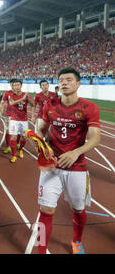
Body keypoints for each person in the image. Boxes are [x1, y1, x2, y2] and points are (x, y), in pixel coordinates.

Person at [35, 67, 100, 254]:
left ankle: (77, 241)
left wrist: (75, 152)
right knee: (45, 209)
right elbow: (41, 130)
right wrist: (41, 145)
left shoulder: (89, 108)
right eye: (61, 79)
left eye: (69, 79)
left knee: (78, 209)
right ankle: (41, 251)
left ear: (78, 84)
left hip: (77, 167)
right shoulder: (50, 105)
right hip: (51, 166)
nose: (64, 82)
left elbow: (95, 138)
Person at [7, 79, 34, 163]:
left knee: (24, 137)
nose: (16, 87)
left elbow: (33, 104)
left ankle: (21, 149)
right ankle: (14, 155)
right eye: (15, 85)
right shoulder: (11, 95)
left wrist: (28, 99)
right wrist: (22, 98)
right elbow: (11, 103)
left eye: (18, 85)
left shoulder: (26, 94)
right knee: (13, 137)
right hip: (14, 119)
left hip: (24, 119)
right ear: (13, 86)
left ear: (21, 86)